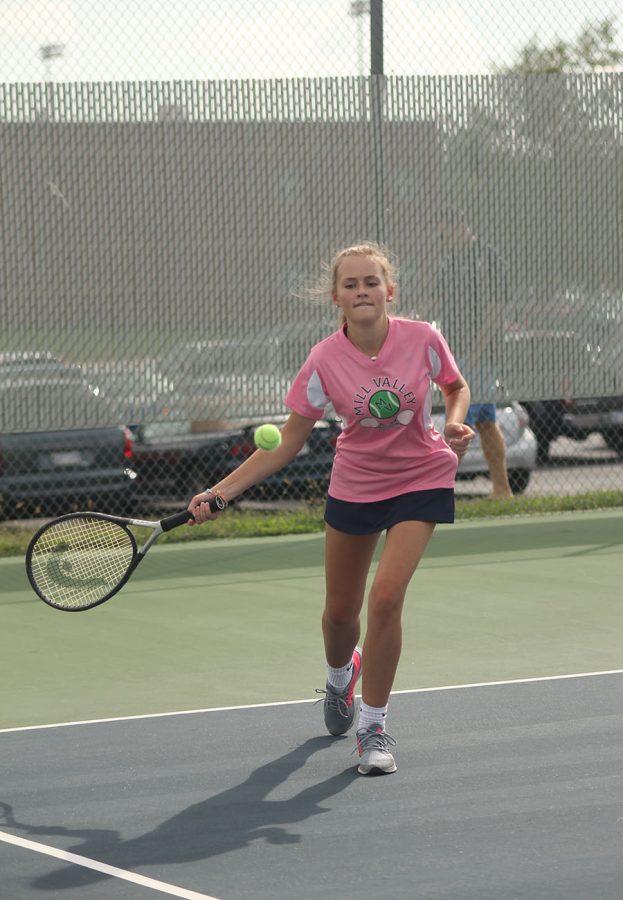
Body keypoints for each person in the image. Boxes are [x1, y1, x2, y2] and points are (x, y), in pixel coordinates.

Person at [188, 242, 474, 776]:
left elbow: (455, 387)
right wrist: (221, 492)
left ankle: (372, 727)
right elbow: (287, 440)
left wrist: (455, 421)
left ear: (389, 290)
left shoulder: (423, 338)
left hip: (422, 476)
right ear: (336, 298)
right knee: (341, 616)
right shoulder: (323, 360)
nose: (362, 291)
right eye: (351, 285)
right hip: (356, 485)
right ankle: (341, 676)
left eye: (371, 282)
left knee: (386, 599)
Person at [437, 210, 514, 500]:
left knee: (463, 421)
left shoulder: (487, 257)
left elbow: (496, 308)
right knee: (484, 421)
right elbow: (436, 304)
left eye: (446, 232)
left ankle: (441, 491)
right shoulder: (448, 262)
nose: (443, 239)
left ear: (461, 226)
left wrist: (476, 351)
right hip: (455, 356)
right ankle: (502, 489)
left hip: (479, 355)